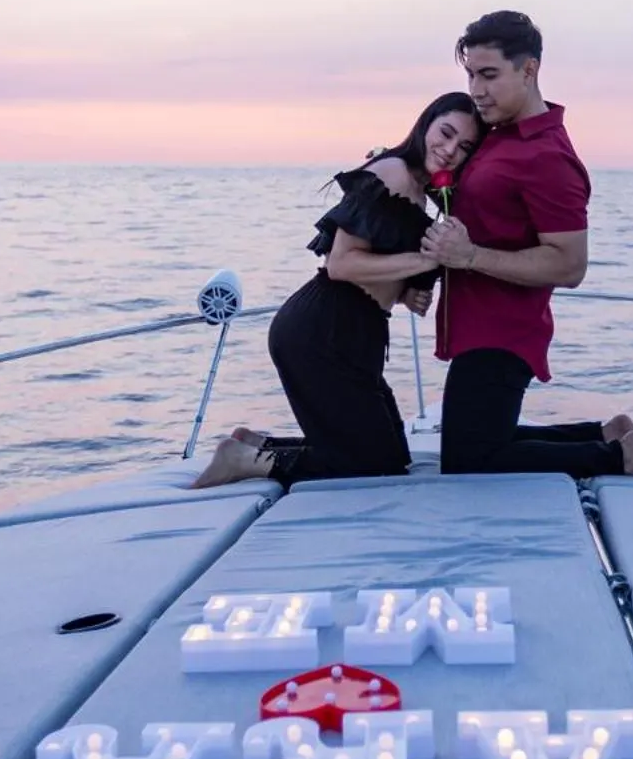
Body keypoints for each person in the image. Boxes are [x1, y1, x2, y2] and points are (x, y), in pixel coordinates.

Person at [420, 10, 633, 480]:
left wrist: (469, 257)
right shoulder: (499, 136)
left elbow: (570, 265)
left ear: (529, 71)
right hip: (474, 323)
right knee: (473, 444)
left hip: (504, 331)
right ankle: (608, 433)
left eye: (489, 75)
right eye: (470, 75)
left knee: (470, 461)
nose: (476, 90)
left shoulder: (548, 157)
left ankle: (620, 457)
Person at [190, 93, 480, 488]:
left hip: (357, 332)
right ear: (425, 124)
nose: (450, 150)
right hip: (323, 331)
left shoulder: (419, 191)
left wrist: (406, 294)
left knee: (393, 457)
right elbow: (341, 264)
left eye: (464, 147)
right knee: (375, 469)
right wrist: (429, 261)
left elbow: (377, 265)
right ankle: (247, 459)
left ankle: (256, 442)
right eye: (445, 134)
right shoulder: (392, 172)